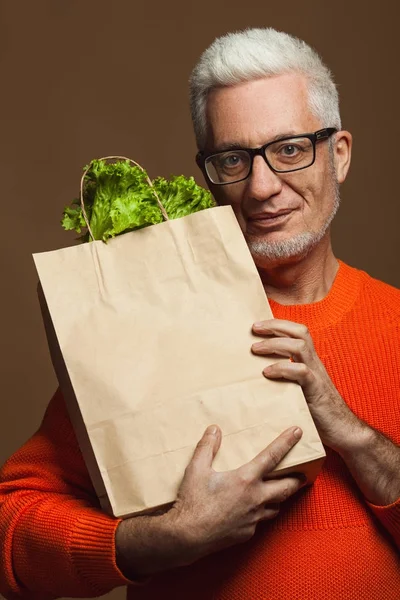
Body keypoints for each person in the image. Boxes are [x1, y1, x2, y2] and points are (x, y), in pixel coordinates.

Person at [0, 27, 399, 600]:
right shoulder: (151, 318)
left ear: (338, 156)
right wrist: (161, 540)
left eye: (290, 149)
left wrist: (354, 437)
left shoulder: (395, 323)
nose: (262, 187)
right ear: (208, 174)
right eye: (234, 159)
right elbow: (11, 529)